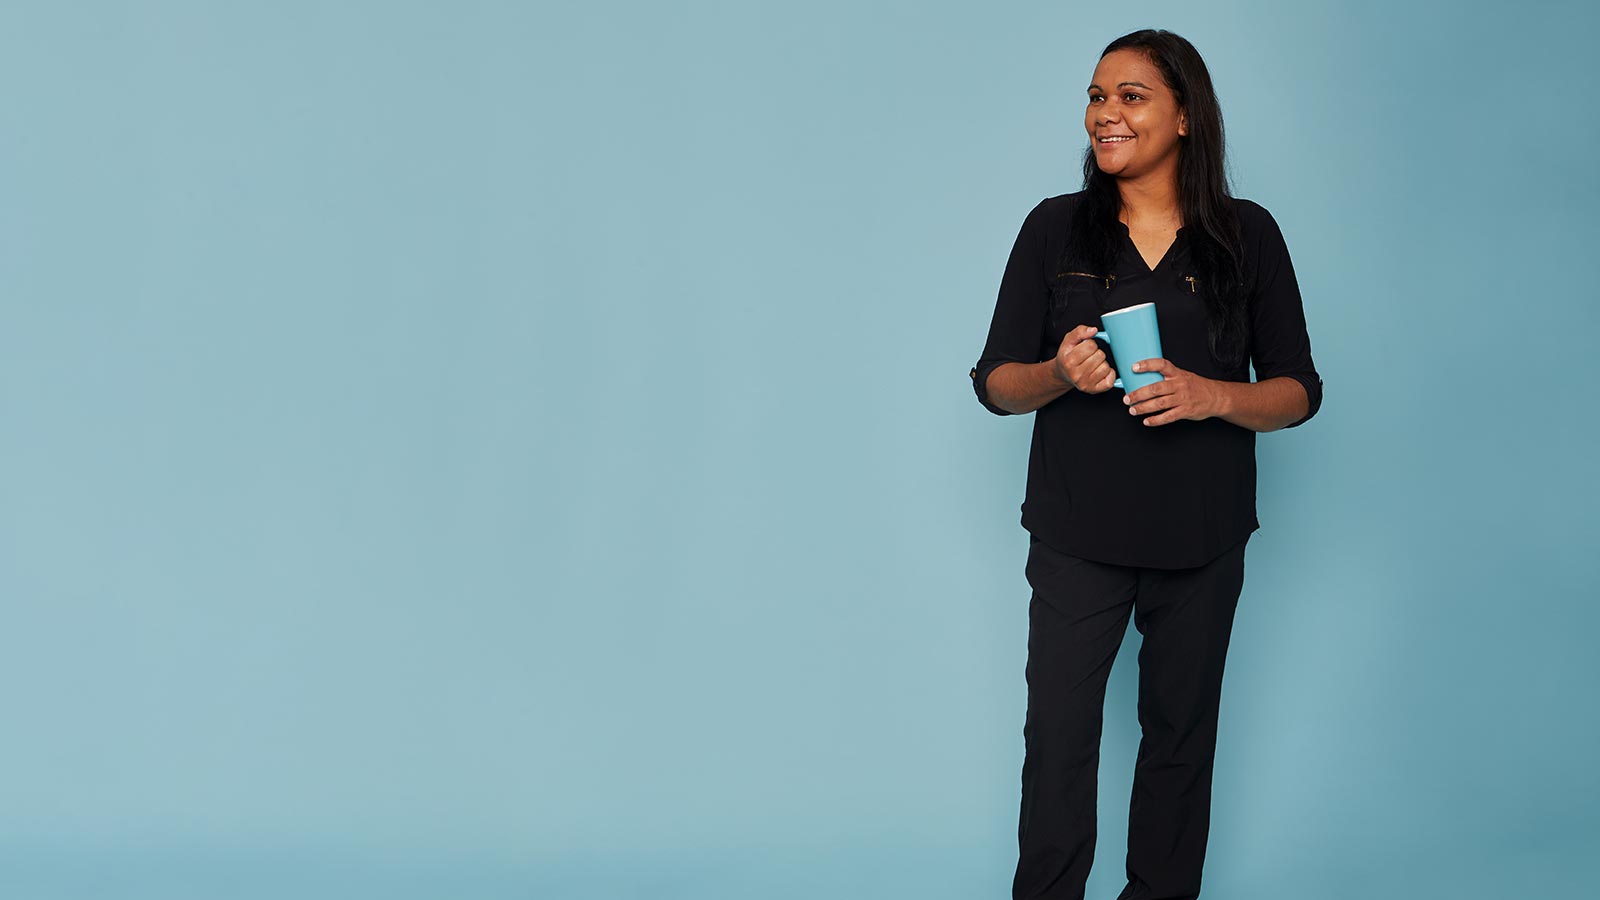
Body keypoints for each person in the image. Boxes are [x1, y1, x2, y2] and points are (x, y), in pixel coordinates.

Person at [968, 29, 1323, 900]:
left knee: (1179, 741)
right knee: (1058, 741)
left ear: (1186, 116)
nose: (1105, 114)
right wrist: (1058, 373)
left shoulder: (1247, 236)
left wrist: (1213, 396)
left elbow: (1298, 389)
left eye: (1130, 96)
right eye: (1096, 96)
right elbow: (994, 384)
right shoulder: (1056, 227)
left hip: (1201, 535)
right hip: (1076, 533)